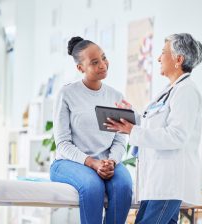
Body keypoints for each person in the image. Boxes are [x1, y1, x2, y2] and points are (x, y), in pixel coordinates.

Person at [104, 33, 202, 223]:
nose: (158, 58)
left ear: (178, 59)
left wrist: (132, 131)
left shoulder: (187, 91)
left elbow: (177, 136)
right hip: (157, 182)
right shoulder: (170, 91)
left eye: (163, 53)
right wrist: (131, 116)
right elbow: (153, 124)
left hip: (169, 183)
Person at [50, 36, 132, 224]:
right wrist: (92, 163)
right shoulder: (67, 94)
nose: (103, 64)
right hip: (69, 162)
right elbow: (62, 143)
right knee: (92, 186)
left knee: (124, 186)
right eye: (95, 62)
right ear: (80, 68)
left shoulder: (116, 96)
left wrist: (112, 161)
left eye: (104, 58)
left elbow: (120, 140)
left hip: (107, 162)